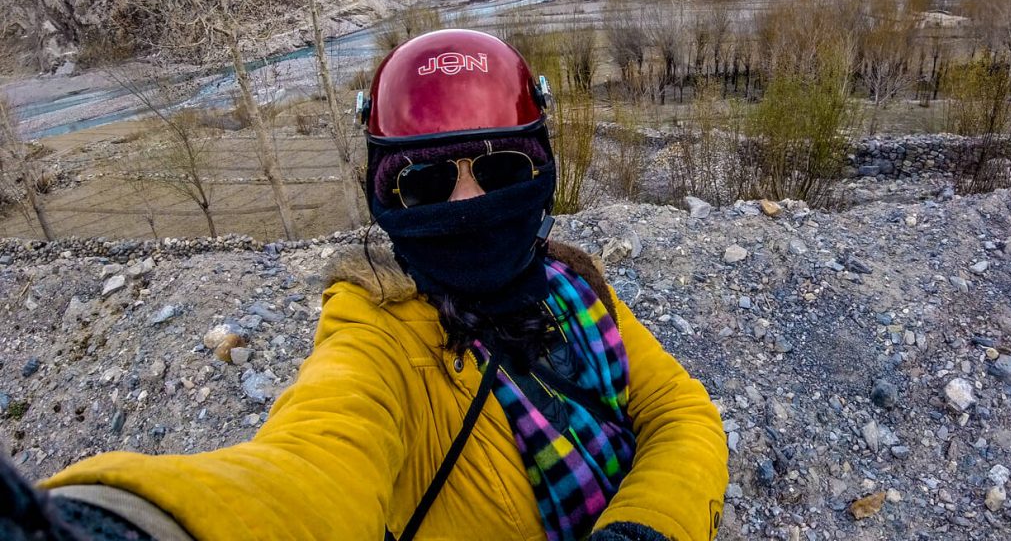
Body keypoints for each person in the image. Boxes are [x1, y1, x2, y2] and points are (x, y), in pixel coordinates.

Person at [1, 29, 728, 541]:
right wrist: (123, 524)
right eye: (427, 182)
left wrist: (645, 529)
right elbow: (314, 463)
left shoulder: (571, 282)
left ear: (540, 171)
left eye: (502, 171)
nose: (471, 204)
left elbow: (679, 413)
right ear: (383, 195)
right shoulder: (376, 332)